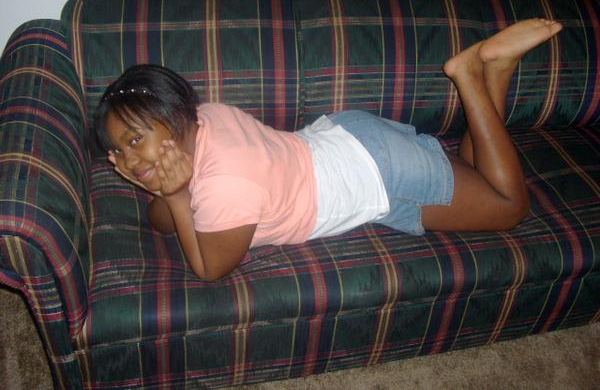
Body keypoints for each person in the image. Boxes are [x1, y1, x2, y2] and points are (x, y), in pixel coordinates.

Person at [96, 18, 563, 281]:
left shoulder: (226, 186)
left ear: (171, 115)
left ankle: (469, 76)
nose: (130, 161)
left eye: (136, 139)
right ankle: (497, 68)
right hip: (347, 138)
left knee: (508, 207)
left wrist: (177, 196)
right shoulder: (205, 116)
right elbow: (162, 222)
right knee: (473, 174)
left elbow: (209, 268)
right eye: (119, 150)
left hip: (378, 173)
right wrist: (168, 189)